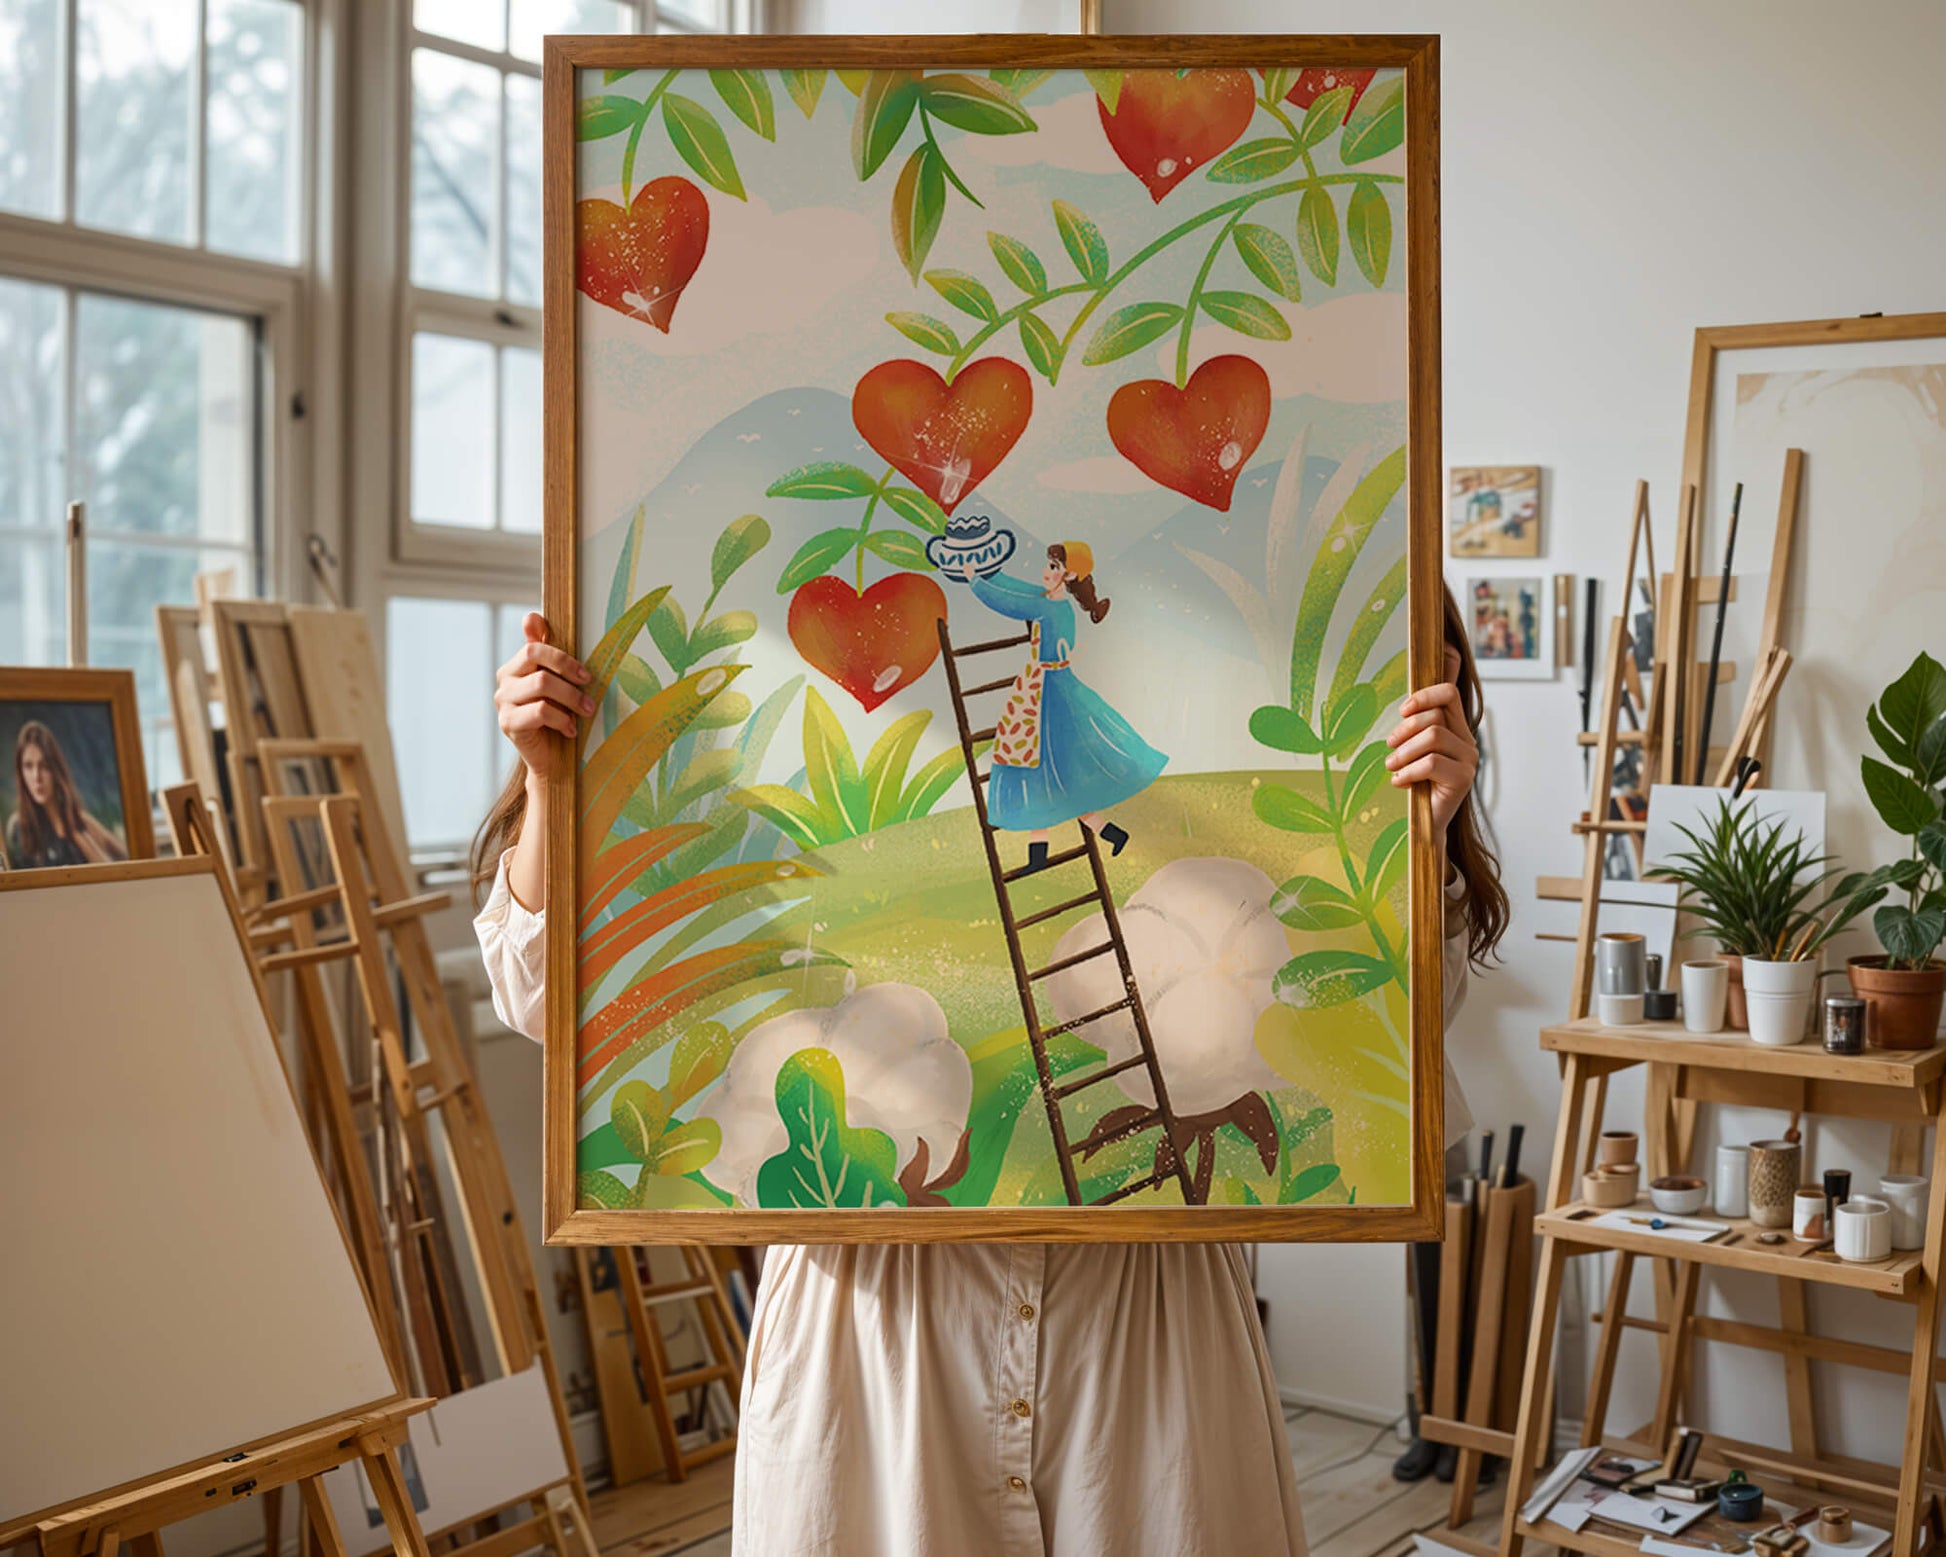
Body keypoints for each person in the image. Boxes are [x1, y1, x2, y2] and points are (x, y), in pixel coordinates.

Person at [472, 585, 1507, 1556]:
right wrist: (550, 784)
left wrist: (1422, 829)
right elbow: (543, 1008)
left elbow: (1379, 1030)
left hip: (1146, 1316)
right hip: (873, 1328)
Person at [958, 541, 1166, 875]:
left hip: (1046, 694)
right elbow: (1020, 590)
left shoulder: (1050, 608)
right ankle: (1108, 835)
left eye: (1054, 567)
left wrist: (976, 582)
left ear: (1068, 574)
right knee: (1052, 778)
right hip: (1047, 688)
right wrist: (991, 573)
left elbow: (1011, 603)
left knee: (1039, 771)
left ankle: (1048, 854)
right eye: (1048, 564)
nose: (1046, 571)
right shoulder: (1054, 603)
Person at [7, 719, 129, 869]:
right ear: (21, 772)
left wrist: (74, 829)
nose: (36, 777)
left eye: (44, 766)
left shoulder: (80, 821)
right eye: (28, 766)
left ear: (56, 771)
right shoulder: (17, 827)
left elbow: (120, 866)